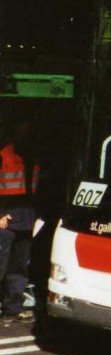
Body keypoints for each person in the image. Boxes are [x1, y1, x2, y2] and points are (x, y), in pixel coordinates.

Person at [0, 122, 36, 323]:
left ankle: (12, 308)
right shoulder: (3, 155)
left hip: (26, 221)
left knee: (18, 267)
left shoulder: (32, 159)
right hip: (6, 221)